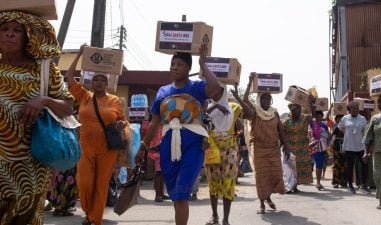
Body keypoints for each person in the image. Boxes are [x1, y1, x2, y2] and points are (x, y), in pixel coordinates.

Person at [0, 11, 75, 225]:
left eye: (17, 30)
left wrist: (44, 100)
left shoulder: (45, 70)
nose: (10, 35)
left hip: (30, 165)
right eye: (4, 29)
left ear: (28, 36)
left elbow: (68, 107)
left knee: (25, 218)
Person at [135, 44, 221, 225]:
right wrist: (143, 146)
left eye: (179, 64)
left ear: (188, 68)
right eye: (173, 63)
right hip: (168, 147)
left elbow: (215, 86)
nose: (174, 67)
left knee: (182, 191)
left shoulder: (197, 87)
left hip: (193, 146)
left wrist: (203, 63)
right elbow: (155, 121)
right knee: (175, 194)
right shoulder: (163, 91)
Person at [65, 45, 128, 225]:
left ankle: (94, 219)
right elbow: (69, 78)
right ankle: (88, 212)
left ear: (107, 83)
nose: (99, 82)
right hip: (85, 147)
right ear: (91, 82)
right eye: (96, 79)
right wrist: (78, 55)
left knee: (101, 185)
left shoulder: (115, 100)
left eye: (102, 80)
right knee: (85, 184)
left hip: (107, 148)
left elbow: (123, 120)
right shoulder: (84, 96)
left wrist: (121, 123)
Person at [231, 74, 289, 214]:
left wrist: (286, 146)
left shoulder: (274, 113)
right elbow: (245, 100)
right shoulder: (254, 113)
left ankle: (268, 198)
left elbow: (280, 130)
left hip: (274, 149)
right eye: (263, 97)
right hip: (259, 149)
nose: (266, 100)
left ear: (271, 100)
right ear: (258, 99)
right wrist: (249, 82)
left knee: (275, 174)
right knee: (261, 176)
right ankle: (262, 203)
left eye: (268, 98)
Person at [204, 86, 241, 225]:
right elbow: (199, 117)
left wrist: (238, 96)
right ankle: (215, 216)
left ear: (224, 92)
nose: (216, 93)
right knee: (212, 183)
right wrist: (215, 107)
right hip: (212, 148)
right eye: (214, 90)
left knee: (228, 183)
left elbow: (250, 114)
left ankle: (225, 219)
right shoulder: (207, 107)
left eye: (220, 91)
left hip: (230, 149)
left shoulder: (234, 107)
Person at [338, 101, 369, 194]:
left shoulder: (362, 119)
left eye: (356, 108)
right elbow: (341, 128)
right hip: (349, 146)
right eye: (353, 108)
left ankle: (363, 185)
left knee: (364, 166)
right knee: (349, 167)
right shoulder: (344, 118)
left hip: (360, 146)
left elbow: (365, 131)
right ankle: (350, 185)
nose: (355, 109)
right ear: (349, 109)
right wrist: (349, 134)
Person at [283, 103, 313, 192]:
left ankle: (295, 186)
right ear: (291, 111)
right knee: (290, 168)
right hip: (290, 148)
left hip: (302, 148)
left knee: (299, 168)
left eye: (299, 110)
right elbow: (282, 134)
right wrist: (283, 146)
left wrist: (311, 102)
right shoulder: (286, 122)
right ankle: (289, 187)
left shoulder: (304, 119)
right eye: (296, 110)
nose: (298, 112)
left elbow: (313, 116)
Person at [308, 110, 329, 191]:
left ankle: (318, 182)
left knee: (319, 165)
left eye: (321, 116)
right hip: (314, 147)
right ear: (315, 116)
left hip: (322, 148)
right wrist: (311, 103)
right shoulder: (312, 124)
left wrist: (327, 141)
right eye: (317, 116)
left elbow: (328, 135)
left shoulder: (324, 125)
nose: (319, 118)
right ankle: (316, 181)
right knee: (313, 164)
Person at [330, 115, 347, 188]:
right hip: (336, 146)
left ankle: (343, 182)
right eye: (339, 119)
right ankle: (336, 182)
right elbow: (331, 135)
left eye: (341, 119)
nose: (340, 120)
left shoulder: (346, 126)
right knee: (336, 164)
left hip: (345, 145)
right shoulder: (335, 126)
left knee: (344, 164)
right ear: (336, 119)